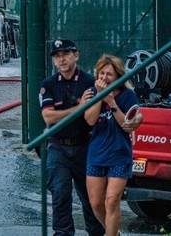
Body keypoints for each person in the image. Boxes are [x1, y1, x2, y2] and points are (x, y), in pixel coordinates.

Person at [39, 39, 103, 236]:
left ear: (76, 55)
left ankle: (97, 233)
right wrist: (79, 107)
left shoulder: (89, 82)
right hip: (58, 147)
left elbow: (92, 117)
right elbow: (48, 116)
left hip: (85, 146)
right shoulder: (48, 84)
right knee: (60, 194)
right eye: (57, 56)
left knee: (91, 198)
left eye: (66, 54)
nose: (62, 59)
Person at [84, 54, 142, 236]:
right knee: (96, 203)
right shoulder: (92, 93)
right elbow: (90, 120)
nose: (104, 78)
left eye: (109, 74)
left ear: (118, 76)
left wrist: (111, 102)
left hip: (119, 154)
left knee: (112, 201)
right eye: (101, 74)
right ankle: (114, 233)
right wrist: (100, 97)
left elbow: (127, 125)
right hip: (96, 154)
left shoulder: (128, 95)